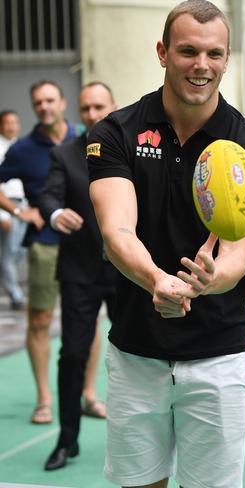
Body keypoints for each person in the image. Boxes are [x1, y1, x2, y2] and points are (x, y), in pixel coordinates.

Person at [86, 2, 245, 487]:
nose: (201, 65)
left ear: (227, 59)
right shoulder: (116, 133)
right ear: (163, 53)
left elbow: (236, 257)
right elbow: (117, 231)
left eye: (214, 54)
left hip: (218, 356)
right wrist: (158, 281)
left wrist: (207, 284)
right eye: (188, 51)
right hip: (136, 354)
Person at [39, 81, 118, 470]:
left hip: (126, 272)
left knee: (138, 353)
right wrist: (55, 214)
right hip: (80, 272)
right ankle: (66, 440)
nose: (92, 114)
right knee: (72, 353)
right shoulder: (64, 154)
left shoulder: (135, 151)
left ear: (113, 107)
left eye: (99, 106)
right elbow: (49, 195)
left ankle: (141, 436)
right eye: (86, 108)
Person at [0, 81, 76, 425]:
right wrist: (20, 212)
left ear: (62, 101)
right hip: (45, 245)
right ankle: (44, 399)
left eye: (50, 100)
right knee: (40, 321)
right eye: (38, 102)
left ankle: (88, 395)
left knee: (86, 323)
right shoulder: (23, 149)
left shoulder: (86, 137)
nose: (44, 106)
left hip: (86, 245)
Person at [0, 110, 27, 310]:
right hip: (6, 204)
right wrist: (2, 215)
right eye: (7, 122)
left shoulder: (22, 147)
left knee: (21, 249)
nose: (11, 126)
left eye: (15, 122)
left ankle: (5, 273)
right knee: (9, 253)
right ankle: (16, 295)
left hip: (24, 204)